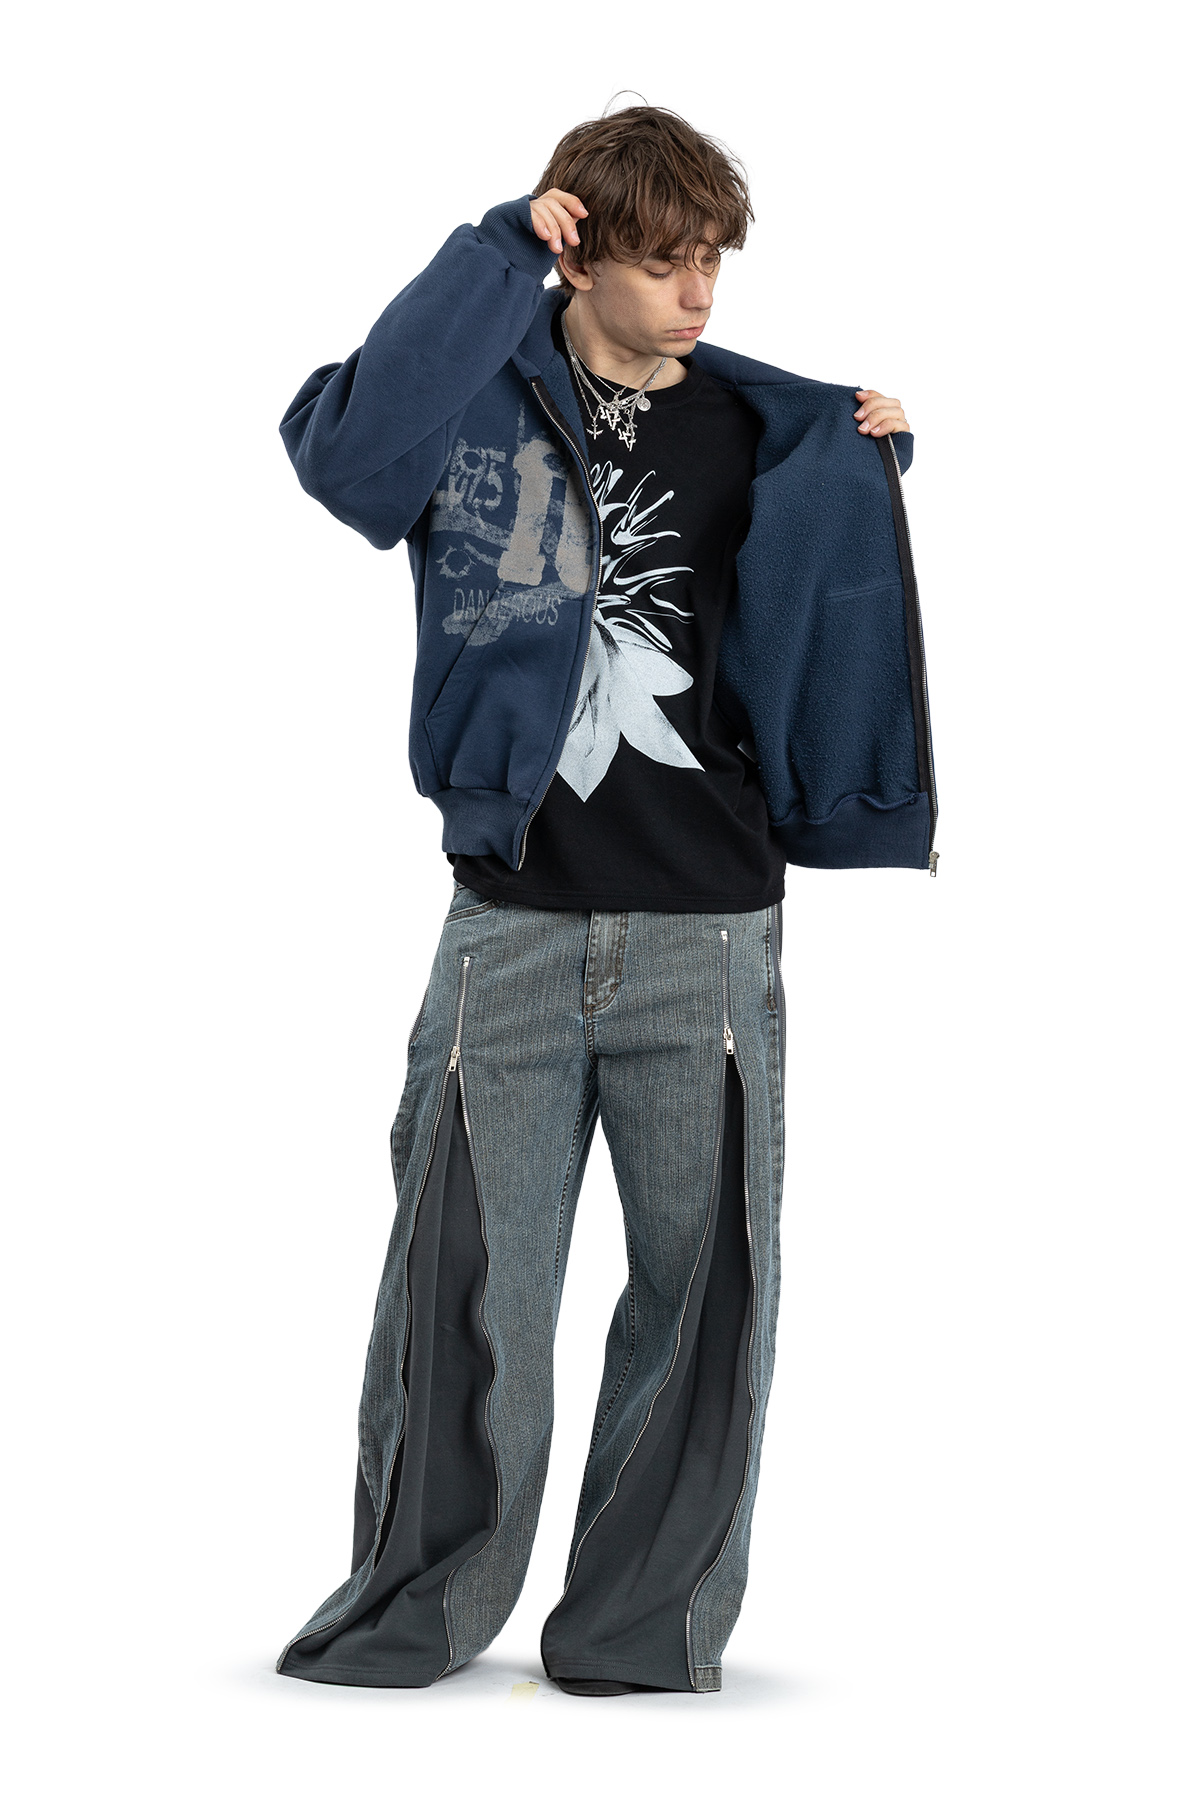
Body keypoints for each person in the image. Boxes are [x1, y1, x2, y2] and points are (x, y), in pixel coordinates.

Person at [275, 104, 936, 1698]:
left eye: (713, 260)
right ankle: (419, 1610)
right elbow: (345, 458)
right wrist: (493, 252)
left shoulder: (764, 424)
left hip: (709, 932)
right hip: (510, 921)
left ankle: (640, 1630)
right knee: (462, 1284)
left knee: (705, 1295)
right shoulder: (469, 397)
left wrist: (870, 459)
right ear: (580, 253)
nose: (697, 292)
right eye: (660, 261)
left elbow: (821, 577)